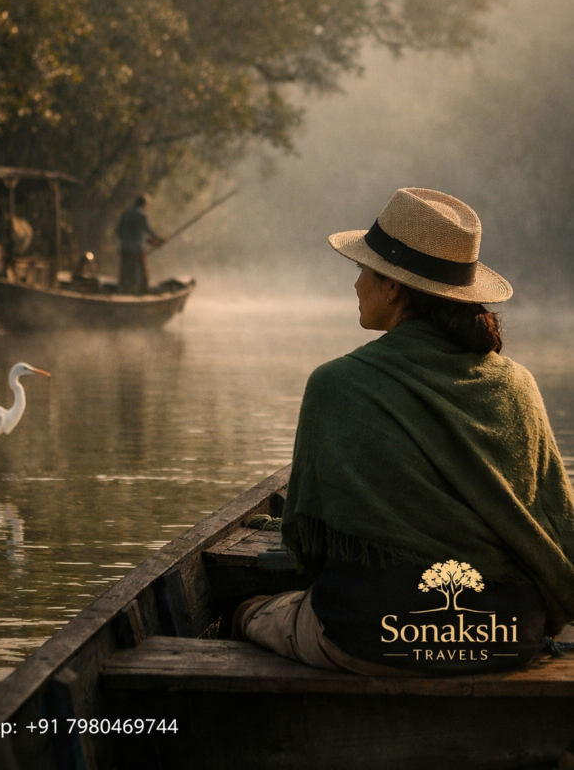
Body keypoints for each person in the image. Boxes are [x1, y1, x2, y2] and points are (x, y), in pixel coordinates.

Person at [233, 187, 574, 678]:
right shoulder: (518, 386)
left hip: (377, 635)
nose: (355, 286)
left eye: (362, 272)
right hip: (504, 637)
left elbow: (309, 546)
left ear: (393, 287)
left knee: (251, 612)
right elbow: (557, 526)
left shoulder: (334, 385)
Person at [116, 194, 165, 295]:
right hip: (137, 249)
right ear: (144, 204)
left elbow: (120, 231)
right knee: (141, 272)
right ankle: (141, 293)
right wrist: (159, 239)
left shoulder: (126, 213)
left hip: (124, 247)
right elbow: (149, 230)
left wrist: (149, 241)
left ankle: (123, 291)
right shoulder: (142, 215)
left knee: (124, 271)